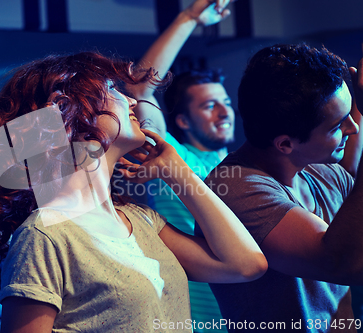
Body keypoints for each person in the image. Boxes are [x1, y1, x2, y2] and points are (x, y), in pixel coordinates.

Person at [0, 51, 267, 332]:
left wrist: (178, 172)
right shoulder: (45, 235)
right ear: (68, 109)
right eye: (113, 89)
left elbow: (246, 265)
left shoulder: (141, 221)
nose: (131, 101)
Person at [204, 43, 363, 332]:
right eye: (337, 125)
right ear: (286, 144)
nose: (353, 128)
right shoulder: (233, 189)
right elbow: (342, 263)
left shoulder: (324, 171)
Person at [128, 0, 234, 331]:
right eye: (209, 105)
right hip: (195, 319)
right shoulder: (171, 156)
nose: (223, 112)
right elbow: (140, 85)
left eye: (226, 103)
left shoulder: (243, 166)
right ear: (183, 122)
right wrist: (189, 17)